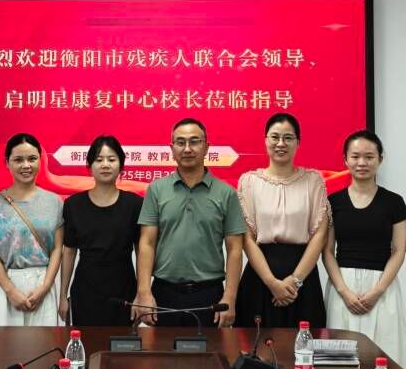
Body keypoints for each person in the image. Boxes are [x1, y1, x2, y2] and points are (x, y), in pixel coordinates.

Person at [134, 118, 245, 328]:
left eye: (194, 141)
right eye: (180, 142)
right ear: (171, 149)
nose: (187, 149)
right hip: (164, 293)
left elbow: (235, 249)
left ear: (206, 147)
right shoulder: (156, 190)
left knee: (210, 350)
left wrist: (230, 298)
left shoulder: (226, 193)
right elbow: (147, 243)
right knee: (162, 350)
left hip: (210, 295)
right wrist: (144, 292)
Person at [322, 130, 406, 368]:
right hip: (343, 287)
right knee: (340, 361)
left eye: (369, 156)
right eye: (355, 156)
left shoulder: (394, 202)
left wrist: (377, 291)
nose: (362, 162)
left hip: (382, 288)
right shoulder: (333, 201)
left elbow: (399, 250)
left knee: (385, 357)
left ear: (380, 159)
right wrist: (344, 291)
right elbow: (327, 251)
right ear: (345, 160)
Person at [234, 112, 331, 329]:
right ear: (265, 140)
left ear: (298, 143)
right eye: (275, 137)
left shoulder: (313, 180)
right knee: (255, 345)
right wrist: (271, 282)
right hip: (260, 277)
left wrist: (295, 281)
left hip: (303, 278)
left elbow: (319, 236)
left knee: (304, 345)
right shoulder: (249, 182)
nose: (281, 143)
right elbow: (247, 239)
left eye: (288, 138)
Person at [0, 133, 63, 325]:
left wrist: (46, 286)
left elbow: (57, 248)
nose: (26, 165)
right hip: (5, 284)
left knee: (43, 342)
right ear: (7, 163)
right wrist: (11, 291)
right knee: (4, 343)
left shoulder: (54, 202)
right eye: (18, 160)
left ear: (40, 160)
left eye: (32, 159)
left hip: (42, 285)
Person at [59, 135, 141, 327]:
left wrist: (141, 294)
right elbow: (69, 252)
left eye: (111, 159)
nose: (105, 165)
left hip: (124, 290)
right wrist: (63, 295)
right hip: (86, 290)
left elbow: (141, 251)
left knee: (123, 344)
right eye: (99, 160)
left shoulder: (135, 204)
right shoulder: (73, 205)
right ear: (89, 166)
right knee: (87, 343)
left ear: (121, 165)